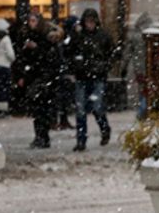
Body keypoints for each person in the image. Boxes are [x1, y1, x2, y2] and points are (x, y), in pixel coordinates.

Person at [69, 8, 115, 151]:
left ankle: (104, 129)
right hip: (83, 76)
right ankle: (81, 139)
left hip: (96, 76)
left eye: (92, 21)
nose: (90, 24)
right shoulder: (79, 36)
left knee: (96, 107)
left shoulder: (102, 36)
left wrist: (104, 66)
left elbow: (111, 54)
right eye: (87, 21)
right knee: (81, 109)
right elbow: (69, 51)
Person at [14, 12, 60, 149]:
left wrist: (37, 49)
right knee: (37, 109)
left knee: (42, 108)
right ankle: (40, 136)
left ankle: (43, 136)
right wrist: (20, 75)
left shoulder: (46, 37)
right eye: (30, 21)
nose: (31, 23)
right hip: (33, 76)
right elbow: (21, 57)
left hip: (43, 77)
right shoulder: (26, 36)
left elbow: (50, 57)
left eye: (34, 21)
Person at [0, 18, 15, 115]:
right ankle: (3, 109)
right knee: (3, 87)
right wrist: (12, 60)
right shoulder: (6, 39)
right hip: (4, 66)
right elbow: (10, 54)